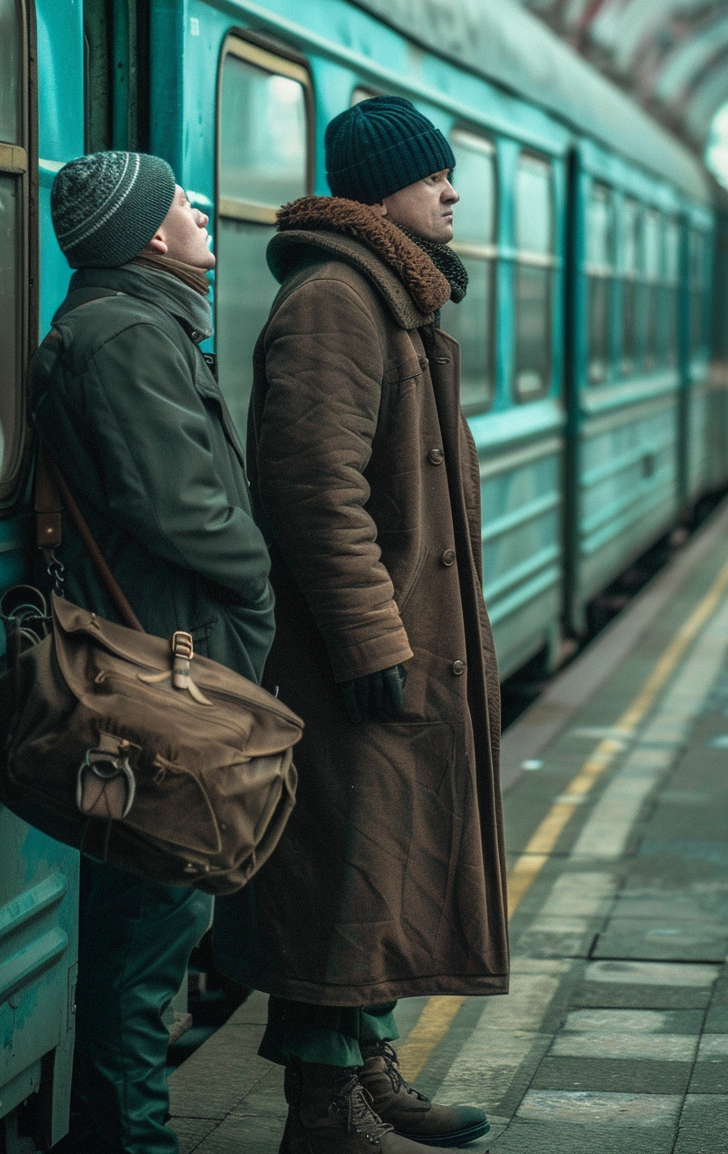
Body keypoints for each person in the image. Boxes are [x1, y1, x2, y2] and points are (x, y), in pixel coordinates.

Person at [213, 96, 509, 1153]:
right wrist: (374, 644)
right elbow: (312, 490)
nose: (452, 191)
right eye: (435, 176)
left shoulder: (390, 295)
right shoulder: (338, 299)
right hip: (359, 655)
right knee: (349, 874)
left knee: (367, 872)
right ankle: (327, 1113)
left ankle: (363, 1068)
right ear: (383, 189)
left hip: (393, 643)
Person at [28, 151, 276, 1154]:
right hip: (161, 681)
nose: (200, 208)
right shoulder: (125, 335)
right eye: (180, 202)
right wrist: (263, 578)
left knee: (148, 933)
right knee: (145, 947)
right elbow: (180, 504)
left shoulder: (135, 321)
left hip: (165, 655)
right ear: (146, 238)